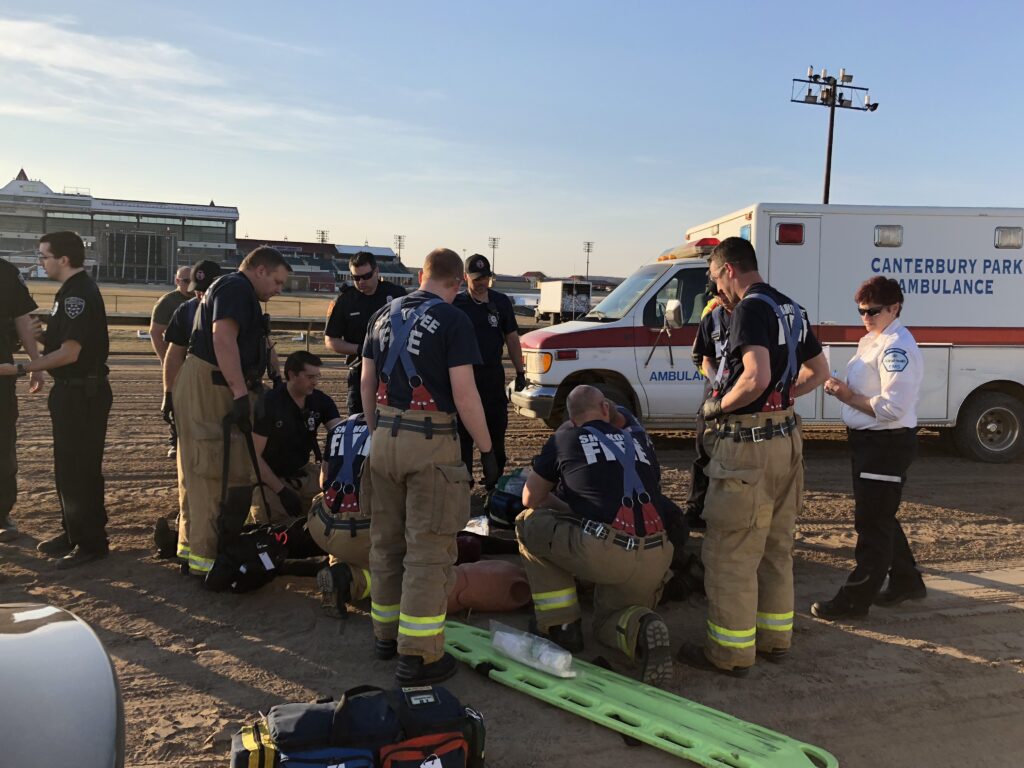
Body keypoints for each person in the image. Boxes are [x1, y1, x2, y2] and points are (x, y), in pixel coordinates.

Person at [676, 236, 828, 676]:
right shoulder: (791, 308)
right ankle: (775, 639)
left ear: (728, 270)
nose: (715, 290)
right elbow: (820, 372)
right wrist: (784, 397)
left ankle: (729, 653)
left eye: (714, 278)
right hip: (787, 442)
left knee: (731, 554)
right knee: (776, 550)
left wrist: (717, 406)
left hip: (748, 449)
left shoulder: (748, 308)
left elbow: (755, 376)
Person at [361, 247, 499, 686]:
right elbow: (465, 394)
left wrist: (378, 429)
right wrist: (486, 447)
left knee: (385, 543)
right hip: (430, 443)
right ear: (457, 283)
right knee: (428, 551)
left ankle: (384, 635)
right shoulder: (455, 320)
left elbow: (366, 381)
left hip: (383, 438)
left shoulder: (382, 314)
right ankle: (418, 655)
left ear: (422, 275)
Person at [515, 385, 676, 687]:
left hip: (607, 552)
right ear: (605, 408)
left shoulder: (565, 437)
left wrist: (558, 504)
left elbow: (530, 497)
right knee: (609, 621)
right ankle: (641, 627)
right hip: (657, 554)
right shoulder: (639, 439)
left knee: (528, 522)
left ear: (572, 419)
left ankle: (559, 624)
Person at [811, 277, 926, 619]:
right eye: (861, 310)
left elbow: (893, 407)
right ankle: (907, 580)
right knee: (880, 516)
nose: (865, 316)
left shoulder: (895, 348)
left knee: (871, 523)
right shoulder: (874, 339)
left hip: (884, 443)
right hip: (871, 442)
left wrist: (846, 395)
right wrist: (844, 390)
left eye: (873, 311)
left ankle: (854, 601)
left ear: (895, 308)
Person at [174, 246, 290, 578]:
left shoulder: (235, 290)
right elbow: (223, 338)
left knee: (201, 469)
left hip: (213, 382)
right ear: (261, 270)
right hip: (212, 386)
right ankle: (207, 560)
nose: (278, 290)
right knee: (213, 470)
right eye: (278, 282)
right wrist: (240, 391)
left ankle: (192, 549)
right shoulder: (236, 288)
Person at [0, 232, 113, 568]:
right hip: (72, 390)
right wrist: (43, 337)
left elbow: (71, 353)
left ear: (64, 259)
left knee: (81, 468)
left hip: (84, 392)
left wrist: (22, 367)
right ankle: (73, 531)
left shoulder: (78, 293)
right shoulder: (69, 292)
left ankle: (91, 542)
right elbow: (66, 343)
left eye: (44, 256)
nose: (41, 261)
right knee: (67, 468)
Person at [160, 260, 222, 568]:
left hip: (216, 395)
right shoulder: (185, 312)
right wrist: (169, 395)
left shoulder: (226, 306)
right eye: (195, 291)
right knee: (197, 472)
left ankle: (197, 544)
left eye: (204, 291)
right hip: (196, 397)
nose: (198, 297)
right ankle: (190, 546)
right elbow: (173, 355)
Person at [453, 253, 526, 483]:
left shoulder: (501, 302)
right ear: (465, 278)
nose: (482, 282)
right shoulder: (456, 305)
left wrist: (520, 371)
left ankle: (494, 482)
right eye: (477, 278)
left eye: (486, 277)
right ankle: (465, 483)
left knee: (497, 432)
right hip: (465, 378)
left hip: (493, 378)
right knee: (463, 436)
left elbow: (512, 338)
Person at [251, 351, 342, 524]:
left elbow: (340, 433)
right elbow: (254, 457)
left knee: (340, 499)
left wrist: (327, 465)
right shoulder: (269, 403)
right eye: (309, 377)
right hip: (271, 478)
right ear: (292, 375)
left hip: (304, 472)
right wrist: (281, 491)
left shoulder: (320, 401)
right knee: (272, 521)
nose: (315, 382)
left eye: (317, 376)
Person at [324, 251, 406, 416]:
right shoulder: (344, 301)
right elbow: (331, 340)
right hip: (359, 371)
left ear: (377, 272)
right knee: (359, 420)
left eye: (366, 276)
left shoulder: (396, 295)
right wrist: (362, 349)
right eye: (356, 278)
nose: (361, 281)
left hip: (394, 371)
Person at [683, 278, 734, 531]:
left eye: (723, 294)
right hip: (714, 392)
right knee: (704, 450)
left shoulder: (750, 315)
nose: (721, 299)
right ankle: (696, 508)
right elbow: (702, 357)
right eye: (716, 295)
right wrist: (716, 383)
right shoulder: (711, 316)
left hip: (741, 394)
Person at [0, 258, 45, 542]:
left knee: (2, 445)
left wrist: (35, 363)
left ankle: (1, 512)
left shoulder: (3, 272)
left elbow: (23, 318)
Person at [312, 412, 374, 617]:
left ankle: (337, 565)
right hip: (361, 532)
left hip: (324, 525)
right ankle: (349, 581)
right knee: (402, 571)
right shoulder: (392, 431)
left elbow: (324, 481)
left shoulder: (339, 428)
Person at [150, 265, 193, 458]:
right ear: (177, 281)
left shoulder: (199, 298)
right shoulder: (168, 302)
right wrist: (164, 359)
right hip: (176, 359)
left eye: (191, 280)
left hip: (195, 358)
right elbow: (155, 332)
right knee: (175, 400)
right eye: (185, 281)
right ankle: (175, 441)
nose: (189, 284)